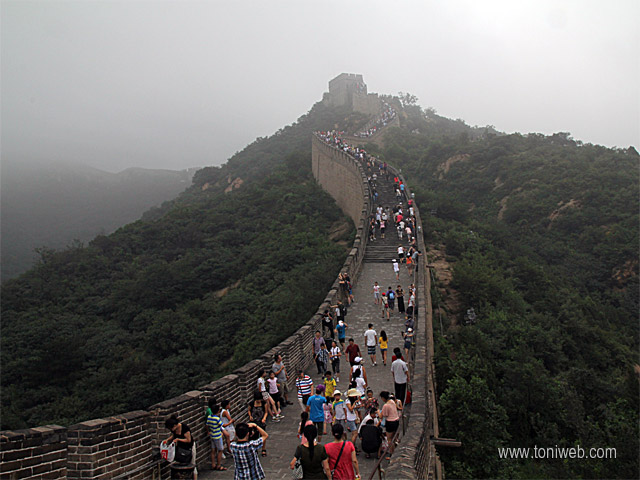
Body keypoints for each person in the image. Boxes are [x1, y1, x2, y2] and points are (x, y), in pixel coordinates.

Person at [206, 403, 227, 471]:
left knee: (213, 450)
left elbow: (207, 425)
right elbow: (222, 425)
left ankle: (213, 464)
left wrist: (208, 431)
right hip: (217, 436)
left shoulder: (209, 417)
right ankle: (218, 465)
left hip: (212, 435)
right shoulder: (217, 418)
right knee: (220, 450)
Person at [379, 391, 400, 458]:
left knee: (389, 439)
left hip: (390, 422)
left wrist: (378, 412)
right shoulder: (392, 401)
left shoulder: (386, 405)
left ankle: (391, 454)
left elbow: (384, 415)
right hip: (396, 421)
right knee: (394, 437)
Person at [247, 392, 268, 456]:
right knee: (254, 436)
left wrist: (264, 418)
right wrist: (250, 416)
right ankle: (255, 449)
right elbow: (249, 410)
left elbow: (266, 412)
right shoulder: (251, 403)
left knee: (263, 435)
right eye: (257, 400)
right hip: (254, 422)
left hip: (261, 421)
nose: (259, 401)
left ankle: (263, 449)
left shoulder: (264, 403)